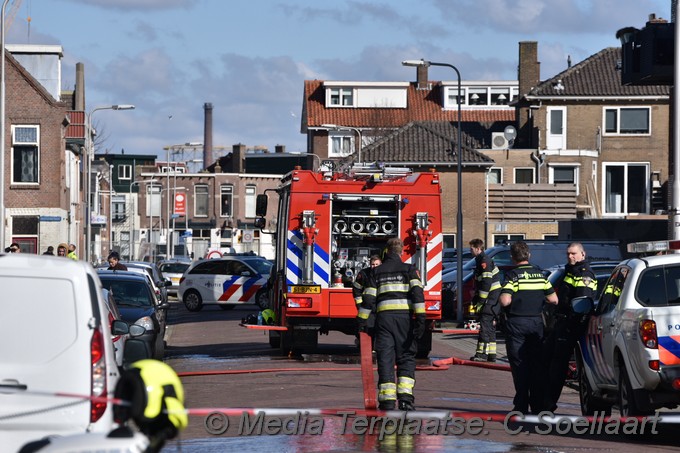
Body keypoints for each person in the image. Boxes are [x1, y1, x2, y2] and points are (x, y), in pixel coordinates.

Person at [356, 238, 425, 411]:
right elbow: (418, 295)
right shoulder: (410, 270)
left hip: (384, 321)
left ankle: (387, 400)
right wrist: (421, 319)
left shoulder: (376, 272)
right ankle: (405, 399)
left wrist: (362, 320)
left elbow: (369, 299)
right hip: (405, 321)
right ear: (401, 252)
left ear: (386, 251)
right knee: (406, 357)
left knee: (385, 358)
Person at [499, 241, 558, 414]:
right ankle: (538, 404)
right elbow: (554, 299)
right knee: (536, 365)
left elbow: (505, 301)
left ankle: (521, 405)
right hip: (536, 324)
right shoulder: (540, 275)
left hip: (517, 323)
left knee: (520, 365)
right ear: (529, 255)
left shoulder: (513, 275)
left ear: (512, 257)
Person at [544, 242, 596, 411]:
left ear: (583, 254)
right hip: (562, 323)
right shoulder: (570, 271)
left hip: (570, 326)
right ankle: (544, 399)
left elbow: (582, 304)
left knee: (558, 366)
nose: (570, 256)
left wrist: (570, 326)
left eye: (573, 253)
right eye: (568, 254)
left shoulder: (584, 274)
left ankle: (549, 403)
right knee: (548, 360)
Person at [469, 238, 502, 362]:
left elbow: (486, 283)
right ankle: (491, 354)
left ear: (478, 249)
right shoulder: (481, 260)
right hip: (493, 299)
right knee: (490, 327)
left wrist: (481, 302)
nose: (470, 251)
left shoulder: (484, 261)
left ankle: (481, 354)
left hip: (490, 299)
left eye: (471, 249)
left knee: (484, 325)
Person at [352, 254, 382, 341]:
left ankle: (376, 347)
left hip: (380, 305)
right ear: (369, 264)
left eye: (377, 264)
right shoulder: (364, 273)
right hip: (366, 305)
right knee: (364, 325)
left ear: (381, 264)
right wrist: (359, 304)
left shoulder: (384, 274)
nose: (374, 266)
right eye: (373, 264)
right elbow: (356, 289)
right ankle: (364, 344)